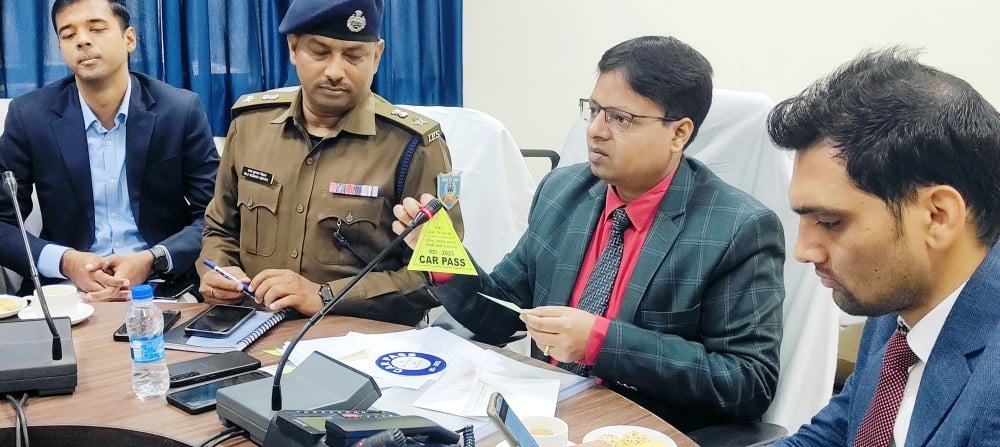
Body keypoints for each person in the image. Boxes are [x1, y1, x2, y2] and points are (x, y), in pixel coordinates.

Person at [394, 36, 784, 432]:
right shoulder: (562, 192)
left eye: (621, 119)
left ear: (679, 133)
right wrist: (440, 255)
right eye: (594, 110)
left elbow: (748, 382)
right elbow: (498, 315)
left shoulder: (738, 228)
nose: (595, 131)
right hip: (545, 419)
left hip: (643, 431)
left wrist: (601, 342)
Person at [766, 48, 1000, 446]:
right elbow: (838, 431)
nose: (803, 250)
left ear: (938, 216)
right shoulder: (902, 293)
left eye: (829, 222)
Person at [198, 0, 462, 326]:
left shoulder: (413, 146)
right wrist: (219, 271)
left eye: (353, 55)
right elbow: (219, 229)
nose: (335, 72)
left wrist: (324, 296)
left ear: (376, 56)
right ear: (293, 48)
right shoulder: (250, 125)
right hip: (250, 324)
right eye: (320, 52)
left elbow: (438, 275)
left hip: (360, 334)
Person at [0, 0, 218, 300]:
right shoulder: (29, 117)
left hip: (163, 286)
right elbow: (2, 221)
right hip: (67, 292)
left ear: (129, 38)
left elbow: (215, 217)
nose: (82, 40)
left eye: (96, 29)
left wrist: (153, 258)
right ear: (61, 48)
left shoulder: (180, 110)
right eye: (68, 34)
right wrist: (65, 261)